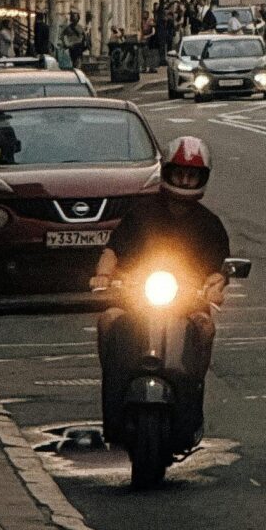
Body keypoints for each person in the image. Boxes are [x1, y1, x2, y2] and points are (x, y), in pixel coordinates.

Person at [93, 135, 232, 441]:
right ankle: (115, 387)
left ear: (201, 178)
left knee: (205, 327)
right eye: (179, 172)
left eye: (191, 174)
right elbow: (112, 250)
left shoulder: (210, 224)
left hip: (186, 301)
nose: (184, 179)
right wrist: (103, 276)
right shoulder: (141, 213)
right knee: (108, 320)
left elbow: (218, 270)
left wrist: (214, 286)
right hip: (136, 296)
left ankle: (192, 389)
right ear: (166, 172)